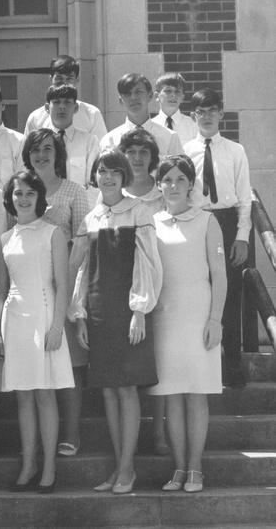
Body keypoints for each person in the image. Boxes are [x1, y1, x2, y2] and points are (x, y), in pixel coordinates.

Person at [69, 149, 162, 494]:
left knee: (126, 388)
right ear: (94, 176)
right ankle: (117, 467)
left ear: (124, 176)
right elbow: (81, 270)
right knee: (108, 390)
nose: (107, 178)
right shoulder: (91, 218)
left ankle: (128, 469)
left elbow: (148, 265)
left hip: (127, 313)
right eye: (102, 171)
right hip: (97, 312)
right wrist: (79, 316)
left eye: (114, 172)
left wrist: (139, 311)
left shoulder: (139, 212)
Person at [0, 171, 73, 493]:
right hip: (15, 320)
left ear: (39, 197)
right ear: (10, 200)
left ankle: (49, 465)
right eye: (17, 194)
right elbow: (1, 289)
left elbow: (62, 284)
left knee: (44, 394)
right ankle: (29, 463)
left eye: (29, 193)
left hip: (44, 317)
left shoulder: (53, 233)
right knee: (23, 396)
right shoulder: (4, 239)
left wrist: (56, 326)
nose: (23, 199)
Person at [149, 155, 226, 493]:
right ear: (159, 184)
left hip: (199, 320)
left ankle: (195, 468)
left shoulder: (207, 221)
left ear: (191, 184)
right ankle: (178, 468)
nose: (174, 186)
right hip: (164, 321)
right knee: (171, 398)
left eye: (181, 179)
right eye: (167, 179)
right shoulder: (151, 223)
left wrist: (215, 319)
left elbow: (219, 274)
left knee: (196, 395)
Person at [22, 128, 89, 458]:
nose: (41, 155)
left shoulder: (74, 191)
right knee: (36, 360)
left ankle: (72, 431)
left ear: (58, 153)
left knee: (71, 362)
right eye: (35, 149)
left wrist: (70, 286)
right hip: (30, 288)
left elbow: (83, 240)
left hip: (65, 282)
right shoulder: (21, 189)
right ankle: (37, 436)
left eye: (48, 148)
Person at [184, 88, 251, 388]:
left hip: (226, 223)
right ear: (193, 115)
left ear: (221, 113)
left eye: (212, 110)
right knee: (200, 293)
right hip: (198, 223)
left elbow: (245, 199)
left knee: (231, 293)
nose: (207, 116)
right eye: (201, 111)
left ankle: (232, 364)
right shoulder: (186, 151)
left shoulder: (235, 151)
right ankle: (201, 364)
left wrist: (242, 236)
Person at [117, 127, 168, 455]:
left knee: (159, 364)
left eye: (143, 153)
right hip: (124, 290)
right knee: (129, 367)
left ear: (152, 157)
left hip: (160, 287)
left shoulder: (163, 194)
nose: (136, 159)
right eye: (131, 152)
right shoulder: (114, 192)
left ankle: (160, 430)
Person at [25, 55, 107, 140]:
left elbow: (100, 149)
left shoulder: (91, 114)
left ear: (77, 79)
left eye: (69, 79)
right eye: (59, 79)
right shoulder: (36, 118)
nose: (64, 84)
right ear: (50, 79)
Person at [100, 73, 184, 156]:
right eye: (127, 93)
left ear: (150, 96)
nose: (133, 97)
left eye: (138, 92)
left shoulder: (169, 137)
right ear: (121, 100)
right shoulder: (110, 141)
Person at [40, 84, 100, 200]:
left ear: (76, 107)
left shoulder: (89, 141)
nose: (62, 107)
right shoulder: (38, 142)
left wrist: (77, 209)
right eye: (56, 102)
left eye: (67, 102)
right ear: (47, 108)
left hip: (81, 210)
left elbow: (94, 185)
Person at [151, 73, 198, 148]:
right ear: (157, 96)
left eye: (177, 91)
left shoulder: (193, 125)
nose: (173, 95)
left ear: (182, 98)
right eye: (168, 91)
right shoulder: (150, 126)